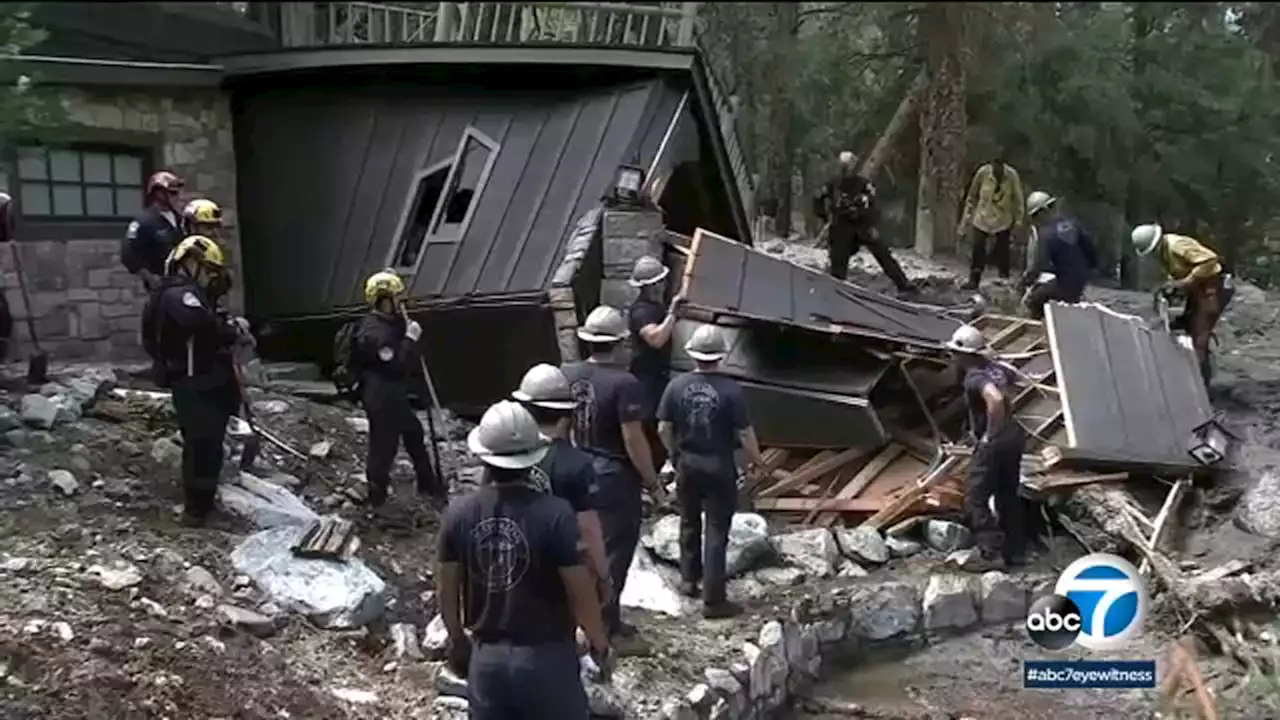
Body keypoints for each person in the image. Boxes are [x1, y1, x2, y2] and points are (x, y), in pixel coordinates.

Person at [438, 400, 610, 719]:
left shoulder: (458, 514)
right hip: (547, 660)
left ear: (483, 455)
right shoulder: (556, 514)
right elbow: (580, 589)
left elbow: (447, 590)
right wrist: (599, 640)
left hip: (487, 661)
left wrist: (457, 639)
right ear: (535, 455)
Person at [561, 305, 663, 651]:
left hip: (576, 468)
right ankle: (604, 630)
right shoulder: (625, 383)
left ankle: (591, 618)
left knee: (583, 550)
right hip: (614, 477)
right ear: (619, 344)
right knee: (614, 553)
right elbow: (633, 438)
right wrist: (652, 481)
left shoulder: (569, 374)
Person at [656, 325, 764, 618]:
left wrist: (673, 453)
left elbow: (663, 427)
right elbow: (744, 433)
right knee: (717, 530)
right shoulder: (731, 390)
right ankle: (713, 600)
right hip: (719, 465)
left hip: (687, 464)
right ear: (721, 355)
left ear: (692, 353)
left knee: (688, 521)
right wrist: (757, 460)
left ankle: (689, 580)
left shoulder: (675, 386)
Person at [143, 235, 246, 527]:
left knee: (211, 443)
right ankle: (196, 511)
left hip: (207, 380)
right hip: (193, 382)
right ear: (190, 264)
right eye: (208, 271)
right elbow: (199, 324)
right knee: (201, 444)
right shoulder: (178, 295)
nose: (211, 278)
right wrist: (229, 330)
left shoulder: (192, 294)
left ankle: (205, 502)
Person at [510, 363, 612, 607]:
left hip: (514, 561)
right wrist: (603, 575)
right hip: (562, 567)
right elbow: (588, 529)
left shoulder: (506, 453)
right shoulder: (576, 464)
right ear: (566, 414)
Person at [351, 270, 446, 511]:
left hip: (393, 393)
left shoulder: (386, 324)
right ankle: (376, 497)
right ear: (384, 299)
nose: (400, 303)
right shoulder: (373, 332)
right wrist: (410, 340)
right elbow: (395, 364)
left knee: (414, 434)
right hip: (380, 395)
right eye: (395, 298)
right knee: (384, 446)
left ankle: (428, 484)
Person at [945, 324, 1026, 572]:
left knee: (975, 498)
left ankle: (990, 553)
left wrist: (989, 434)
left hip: (996, 442)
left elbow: (996, 399)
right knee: (1006, 494)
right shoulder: (997, 369)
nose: (953, 357)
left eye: (955, 353)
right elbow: (1019, 380)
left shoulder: (974, 377)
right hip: (1014, 437)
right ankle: (1016, 553)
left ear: (964, 355)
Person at [1132, 224, 1235, 386]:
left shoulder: (1176, 245)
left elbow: (1209, 260)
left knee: (1199, 334)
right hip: (1199, 290)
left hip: (1213, 287)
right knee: (1187, 324)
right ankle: (1193, 372)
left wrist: (1187, 282)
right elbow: (1178, 272)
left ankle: (1200, 384)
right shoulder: (1165, 254)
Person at [814, 150, 916, 296]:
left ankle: (904, 286)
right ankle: (836, 292)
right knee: (838, 262)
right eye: (845, 165)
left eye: (849, 165)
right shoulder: (832, 184)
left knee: (883, 255)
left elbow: (874, 205)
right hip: (841, 226)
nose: (847, 168)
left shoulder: (863, 184)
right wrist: (825, 217)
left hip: (862, 225)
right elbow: (817, 199)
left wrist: (870, 221)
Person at [626, 255, 685, 469]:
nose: (663, 284)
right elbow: (656, 339)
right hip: (646, 381)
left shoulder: (654, 307)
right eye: (660, 281)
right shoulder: (641, 311)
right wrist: (673, 312)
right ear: (653, 284)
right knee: (652, 426)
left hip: (658, 378)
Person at [1019, 191, 1099, 320]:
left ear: (1042, 212)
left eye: (1035, 216)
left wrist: (1023, 283)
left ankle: (1040, 328)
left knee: (1033, 301)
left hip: (1065, 286)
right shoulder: (1074, 224)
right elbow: (1091, 252)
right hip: (1081, 281)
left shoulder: (1046, 235)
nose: (1036, 221)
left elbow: (1038, 267)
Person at [959, 158, 1026, 290]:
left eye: (1000, 166)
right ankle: (974, 279)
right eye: (994, 165)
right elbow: (972, 196)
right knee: (978, 249)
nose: (997, 169)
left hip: (1003, 220)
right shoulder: (983, 173)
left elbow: (1018, 200)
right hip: (982, 218)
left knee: (1003, 251)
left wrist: (1018, 221)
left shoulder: (1012, 176)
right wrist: (966, 220)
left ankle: (1004, 280)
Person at [123, 171, 186, 292]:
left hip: (182, 283)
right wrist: (149, 278)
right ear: (158, 194)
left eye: (177, 192)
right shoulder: (144, 222)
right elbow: (128, 253)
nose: (177, 196)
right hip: (161, 287)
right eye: (172, 193)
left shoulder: (180, 219)